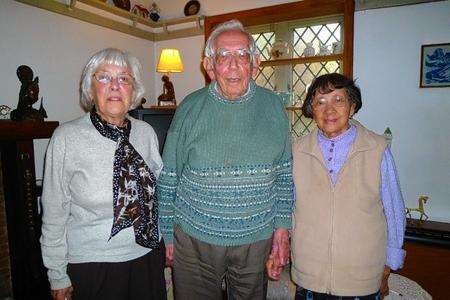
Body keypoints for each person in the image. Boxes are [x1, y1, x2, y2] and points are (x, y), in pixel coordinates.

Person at [157, 19, 294, 299]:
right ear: (209, 65)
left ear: (255, 63)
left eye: (242, 55)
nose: (233, 65)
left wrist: (282, 228)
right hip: (194, 237)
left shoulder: (273, 107)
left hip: (255, 238)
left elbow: (283, 175)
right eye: (223, 56)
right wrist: (168, 233)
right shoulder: (190, 108)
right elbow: (169, 176)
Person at [40, 48, 167, 300]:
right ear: (90, 87)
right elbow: (53, 212)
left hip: (147, 257)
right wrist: (57, 274)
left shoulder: (145, 133)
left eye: (123, 78)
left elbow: (158, 196)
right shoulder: (66, 138)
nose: (115, 86)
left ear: (133, 89)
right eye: (104, 77)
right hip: (94, 265)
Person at [290, 73, 406, 299]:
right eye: (320, 102)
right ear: (312, 110)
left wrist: (389, 264)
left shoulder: (376, 149)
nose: (329, 110)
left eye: (338, 100)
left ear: (352, 107)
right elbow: (289, 208)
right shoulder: (297, 150)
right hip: (309, 275)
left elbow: (394, 210)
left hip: (362, 277)